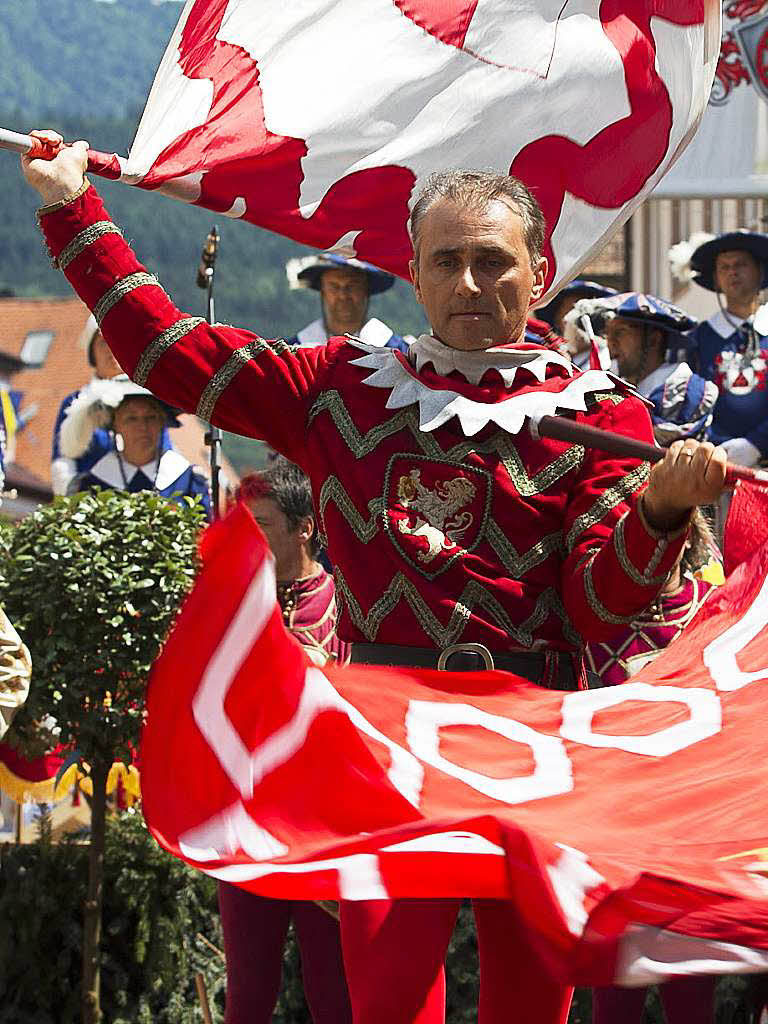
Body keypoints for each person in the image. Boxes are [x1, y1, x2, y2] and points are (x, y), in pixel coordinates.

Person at [23, 133, 730, 1024]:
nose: (470, 285)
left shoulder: (603, 415)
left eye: (491, 261)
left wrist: (661, 511)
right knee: (390, 1004)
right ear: (416, 273)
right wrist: (68, 205)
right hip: (387, 745)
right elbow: (168, 354)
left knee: (528, 1007)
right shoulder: (338, 387)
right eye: (447, 262)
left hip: (539, 742)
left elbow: (599, 604)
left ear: (540, 269)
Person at [218, 457, 351, 1024]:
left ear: (305, 528)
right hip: (248, 822)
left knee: (333, 994)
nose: (251, 536)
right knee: (248, 992)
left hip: (326, 827)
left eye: (264, 523)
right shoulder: (229, 607)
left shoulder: (352, 606)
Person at [586, 510, 719, 1023]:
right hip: (613, 838)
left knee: (690, 998)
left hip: (692, 837)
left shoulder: (716, 613)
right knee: (614, 996)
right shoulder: (594, 620)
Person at [60, 374, 211, 519]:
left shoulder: (189, 479)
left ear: (162, 422)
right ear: (115, 425)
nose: (142, 427)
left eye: (151, 417)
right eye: (131, 418)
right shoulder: (89, 485)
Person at [50, 315, 172, 496]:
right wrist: (76, 497)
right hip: (94, 499)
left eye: (117, 342)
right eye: (103, 343)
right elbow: (64, 460)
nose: (111, 350)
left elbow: (164, 450)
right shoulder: (75, 402)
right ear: (92, 352)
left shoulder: (148, 400)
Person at [677, 230, 768, 465]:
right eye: (723, 267)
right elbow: (691, 401)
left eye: (740, 264)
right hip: (717, 461)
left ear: (760, 271)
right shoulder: (698, 338)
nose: (732, 272)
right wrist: (714, 445)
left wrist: (757, 443)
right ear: (716, 279)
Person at [584, 292, 719, 445]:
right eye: (607, 335)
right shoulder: (613, 388)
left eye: (620, 332)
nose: (611, 343)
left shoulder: (689, 393)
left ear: (654, 340)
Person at [286, 251, 410, 353]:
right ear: (322, 291)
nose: (343, 295)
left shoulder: (397, 352)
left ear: (366, 291)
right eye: (334, 286)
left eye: (352, 286)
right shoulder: (295, 351)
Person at [536, 279, 617, 365]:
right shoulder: (551, 363)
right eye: (572, 310)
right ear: (558, 322)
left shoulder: (609, 362)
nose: (582, 319)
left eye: (587, 310)